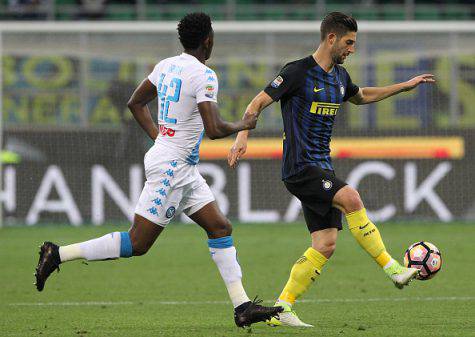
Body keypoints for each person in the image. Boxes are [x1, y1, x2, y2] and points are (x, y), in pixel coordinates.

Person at [34, 12, 282, 328]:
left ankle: (243, 307)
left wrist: (159, 137)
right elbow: (215, 128)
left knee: (220, 227)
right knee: (137, 243)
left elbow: (135, 103)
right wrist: (243, 124)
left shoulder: (166, 65)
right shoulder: (204, 75)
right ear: (208, 39)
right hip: (172, 168)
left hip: (180, 165)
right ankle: (57, 254)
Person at [228, 12, 435, 328]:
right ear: (331, 38)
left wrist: (404, 87)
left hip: (322, 165)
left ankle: (282, 309)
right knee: (351, 197)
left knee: (325, 244)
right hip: (300, 167)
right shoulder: (296, 72)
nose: (352, 49)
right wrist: (241, 137)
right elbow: (256, 104)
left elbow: (362, 96)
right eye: (349, 43)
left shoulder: (339, 77)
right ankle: (393, 268)